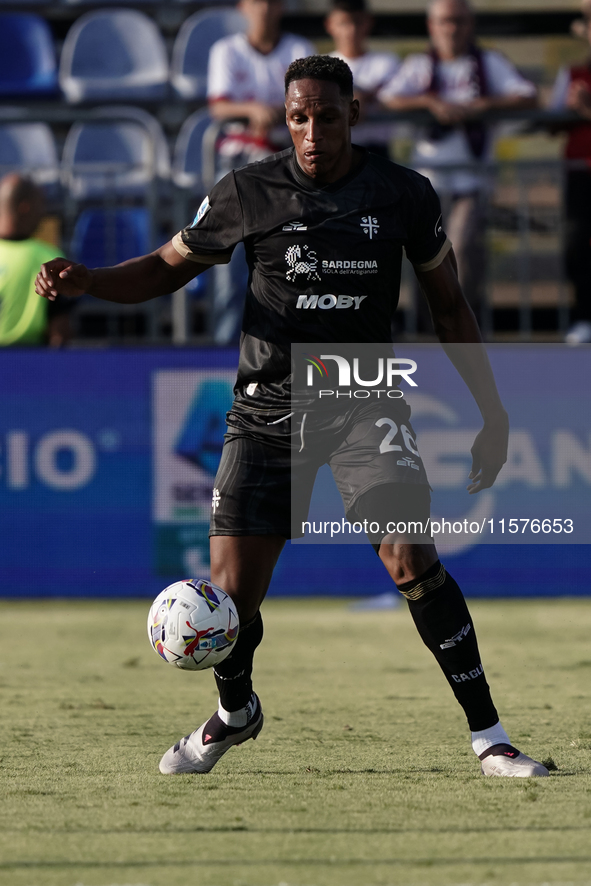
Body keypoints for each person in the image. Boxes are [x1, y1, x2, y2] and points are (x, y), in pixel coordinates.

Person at [36, 55, 548, 779]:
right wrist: (90, 279)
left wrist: (490, 413)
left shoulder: (403, 194)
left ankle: (489, 738)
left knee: (411, 559)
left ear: (353, 115)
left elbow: (448, 307)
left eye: (326, 117)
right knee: (231, 600)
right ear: (286, 120)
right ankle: (235, 712)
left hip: (363, 396)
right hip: (265, 407)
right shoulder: (248, 190)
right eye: (298, 118)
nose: (312, 132)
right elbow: (164, 267)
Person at [380, 0, 537, 327]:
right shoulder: (420, 64)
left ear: (470, 25)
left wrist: (482, 105)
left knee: (461, 250)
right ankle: (432, 329)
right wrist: (429, 102)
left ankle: (461, 326)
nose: (451, 28)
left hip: (472, 180)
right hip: (428, 183)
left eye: (459, 21)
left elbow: (527, 95)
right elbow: (389, 98)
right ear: (431, 26)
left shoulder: (488, 62)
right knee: (426, 262)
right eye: (444, 21)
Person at [206, 0, 315, 345]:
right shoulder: (226, 50)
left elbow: (312, 101)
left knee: (295, 260)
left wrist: (276, 113)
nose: (264, 9)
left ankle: (289, 346)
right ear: (243, 7)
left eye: (271, 2)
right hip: (238, 166)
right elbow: (219, 106)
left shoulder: (300, 49)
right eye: (257, 2)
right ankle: (224, 348)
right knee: (231, 262)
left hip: (289, 164)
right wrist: (253, 109)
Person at [549, 3, 591, 344]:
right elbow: (551, 123)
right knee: (578, 245)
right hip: (581, 173)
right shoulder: (574, 74)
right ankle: (584, 316)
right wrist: (568, 110)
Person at [0, 173, 69, 347]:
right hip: (31, 363)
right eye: (41, 205)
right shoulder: (50, 258)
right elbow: (59, 332)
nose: (43, 213)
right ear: (25, 207)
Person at [325, 0, 400, 156]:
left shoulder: (387, 62)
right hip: (335, 152)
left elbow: (392, 97)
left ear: (369, 22)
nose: (351, 30)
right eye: (343, 23)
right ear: (330, 25)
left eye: (357, 22)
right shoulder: (323, 65)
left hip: (376, 151)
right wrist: (361, 97)